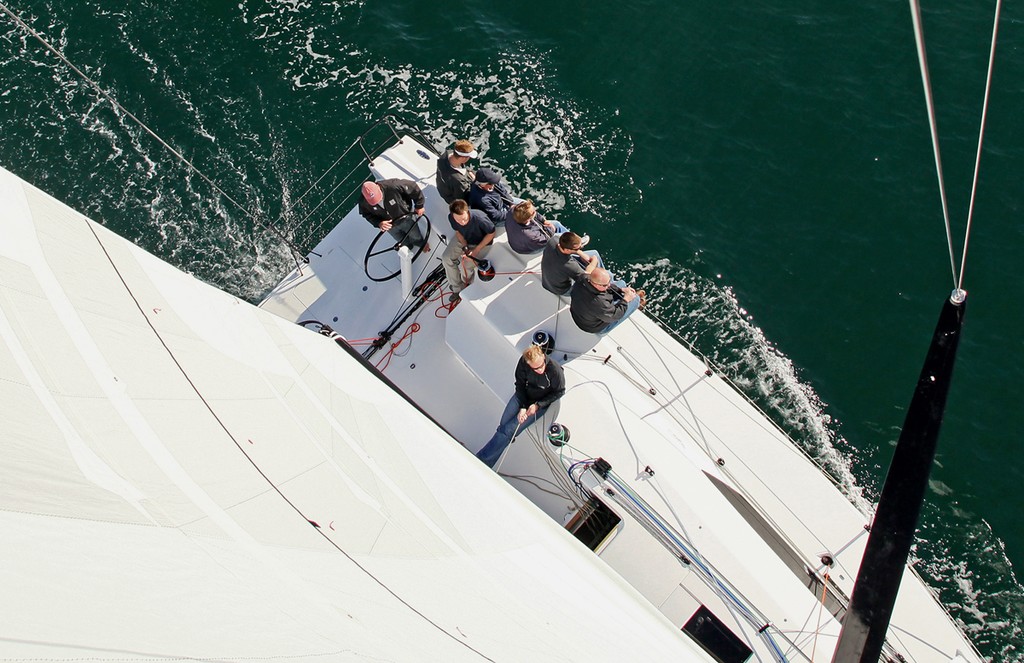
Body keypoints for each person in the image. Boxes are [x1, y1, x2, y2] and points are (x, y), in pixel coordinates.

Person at [476, 345, 565, 468]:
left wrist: (538, 405)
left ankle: (482, 461)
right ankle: (490, 459)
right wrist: (523, 407)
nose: (539, 370)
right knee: (503, 426)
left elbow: (559, 391)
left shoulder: (554, 370)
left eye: (541, 366)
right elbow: (520, 384)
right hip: (522, 397)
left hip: (538, 404)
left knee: (508, 430)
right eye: (535, 368)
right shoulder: (523, 362)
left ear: (543, 356)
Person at [442, 199, 496, 302]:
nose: (462, 223)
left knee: (466, 266)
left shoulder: (480, 218)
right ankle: (457, 289)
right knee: (446, 258)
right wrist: (465, 246)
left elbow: (491, 233)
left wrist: (476, 250)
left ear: (467, 212)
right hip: (464, 239)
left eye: (464, 219)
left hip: (481, 243)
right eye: (458, 220)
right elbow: (458, 231)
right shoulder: (452, 218)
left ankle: (467, 284)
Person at [358, 179, 429, 251]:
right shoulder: (363, 203)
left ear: (378, 186)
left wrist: (419, 206)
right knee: (399, 238)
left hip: (405, 217)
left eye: (378, 197)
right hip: (390, 226)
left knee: (415, 234)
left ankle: (419, 242)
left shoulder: (393, 185)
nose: (378, 201)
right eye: (373, 201)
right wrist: (379, 223)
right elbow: (366, 214)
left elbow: (413, 187)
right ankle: (406, 246)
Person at [569, 268, 645, 334]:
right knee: (635, 299)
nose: (609, 285)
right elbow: (615, 316)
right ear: (595, 284)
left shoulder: (583, 278)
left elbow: (607, 287)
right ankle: (637, 304)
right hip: (592, 326)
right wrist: (626, 299)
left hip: (582, 314)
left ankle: (626, 296)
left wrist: (621, 290)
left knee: (622, 284)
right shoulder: (600, 303)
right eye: (605, 285)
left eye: (609, 282)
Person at [540, 231, 600, 295]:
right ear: (567, 250)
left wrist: (580, 253)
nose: (581, 248)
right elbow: (586, 276)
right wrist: (594, 261)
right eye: (578, 248)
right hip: (560, 290)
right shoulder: (569, 265)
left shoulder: (553, 240)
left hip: (546, 282)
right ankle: (602, 277)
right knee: (595, 254)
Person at [505, 199, 572, 255]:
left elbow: (535, 214)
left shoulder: (513, 212)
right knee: (558, 237)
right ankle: (571, 245)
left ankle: (571, 239)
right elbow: (547, 238)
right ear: (529, 218)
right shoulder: (531, 236)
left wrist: (544, 221)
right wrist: (551, 228)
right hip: (525, 249)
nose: (535, 210)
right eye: (533, 211)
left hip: (519, 240)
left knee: (557, 224)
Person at [436, 139, 478, 204]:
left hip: (443, 187)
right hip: (452, 198)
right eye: (468, 157)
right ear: (463, 158)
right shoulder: (458, 180)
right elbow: (463, 198)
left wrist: (469, 172)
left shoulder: (447, 153)